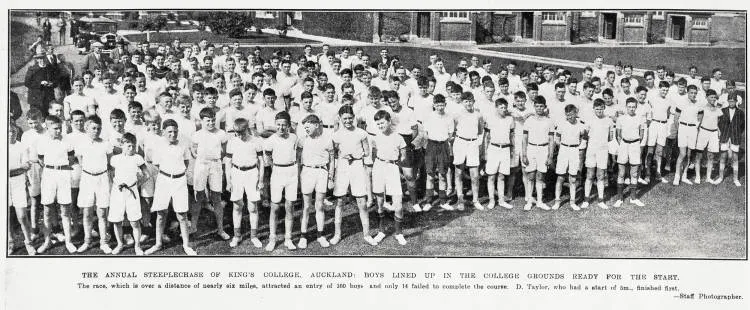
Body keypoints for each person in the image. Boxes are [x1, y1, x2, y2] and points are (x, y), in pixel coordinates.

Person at [145, 119, 197, 256]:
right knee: (161, 214)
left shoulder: (183, 145)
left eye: (175, 131)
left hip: (180, 181)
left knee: (182, 215)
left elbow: (186, 162)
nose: (172, 134)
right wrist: (167, 173)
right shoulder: (158, 146)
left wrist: (176, 174)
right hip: (164, 180)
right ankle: (158, 244)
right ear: (163, 132)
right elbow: (156, 164)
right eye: (169, 132)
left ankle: (186, 245)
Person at [330, 105, 378, 246]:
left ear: (354, 117)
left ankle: (367, 234)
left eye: (350, 118)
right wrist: (343, 156)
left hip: (357, 166)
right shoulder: (336, 135)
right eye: (345, 118)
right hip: (343, 167)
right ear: (340, 119)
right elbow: (334, 153)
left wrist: (357, 155)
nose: (348, 121)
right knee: (339, 201)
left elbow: (367, 152)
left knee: (361, 202)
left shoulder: (361, 133)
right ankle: (337, 234)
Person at [35, 115, 77, 254]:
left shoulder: (68, 140)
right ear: (47, 128)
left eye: (60, 128)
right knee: (47, 210)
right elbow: (41, 160)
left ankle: (68, 241)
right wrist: (51, 168)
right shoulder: (41, 141)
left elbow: (71, 159)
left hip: (64, 174)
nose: (58, 131)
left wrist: (60, 167)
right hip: (48, 174)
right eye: (55, 128)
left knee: (65, 210)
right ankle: (47, 242)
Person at [74, 115, 113, 253]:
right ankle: (88, 241)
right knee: (87, 213)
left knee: (102, 213)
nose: (96, 131)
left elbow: (109, 162)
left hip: (102, 178)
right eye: (93, 128)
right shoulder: (81, 143)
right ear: (86, 128)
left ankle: (103, 242)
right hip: (87, 179)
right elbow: (80, 159)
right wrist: (88, 171)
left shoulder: (106, 143)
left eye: (99, 128)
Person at [224, 118, 265, 249]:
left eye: (242, 132)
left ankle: (254, 236)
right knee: (237, 206)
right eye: (237, 132)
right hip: (236, 173)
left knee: (253, 207)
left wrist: (261, 180)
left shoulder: (256, 141)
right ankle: (237, 235)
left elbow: (261, 162)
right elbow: (228, 163)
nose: (239, 135)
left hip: (252, 173)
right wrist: (229, 181)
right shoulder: (232, 142)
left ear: (247, 129)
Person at [191, 107, 230, 240]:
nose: (211, 123)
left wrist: (215, 158)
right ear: (201, 121)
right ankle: (193, 227)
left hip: (216, 164)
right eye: (208, 121)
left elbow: (224, 150)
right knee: (198, 196)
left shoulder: (221, 133)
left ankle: (220, 229)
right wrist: (199, 156)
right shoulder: (197, 134)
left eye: (213, 120)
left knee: (217, 198)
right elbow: (193, 149)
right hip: (201, 165)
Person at [370, 110, 408, 245]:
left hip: (392, 168)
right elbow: (374, 153)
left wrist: (397, 162)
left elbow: (403, 155)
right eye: (378, 123)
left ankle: (399, 233)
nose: (380, 126)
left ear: (389, 121)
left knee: (397, 204)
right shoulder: (375, 137)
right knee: (379, 201)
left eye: (382, 123)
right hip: (379, 166)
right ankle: (381, 231)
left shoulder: (398, 137)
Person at [264, 111, 300, 252]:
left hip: (291, 172)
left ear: (289, 125)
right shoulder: (271, 139)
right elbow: (267, 155)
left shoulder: (294, 138)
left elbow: (298, 153)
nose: (281, 128)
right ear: (275, 124)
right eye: (278, 125)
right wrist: (275, 167)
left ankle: (288, 238)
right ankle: (272, 238)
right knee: (275, 207)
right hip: (278, 173)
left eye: (284, 125)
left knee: (289, 206)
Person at [108, 133, 149, 255]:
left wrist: (136, 184)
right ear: (121, 145)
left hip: (132, 192)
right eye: (128, 146)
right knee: (116, 220)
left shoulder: (137, 158)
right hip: (118, 191)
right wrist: (116, 185)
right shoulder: (115, 159)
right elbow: (111, 174)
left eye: (133, 146)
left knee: (134, 221)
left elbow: (146, 174)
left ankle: (137, 246)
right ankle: (120, 244)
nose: (131, 149)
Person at [298, 114, 335, 249]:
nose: (306, 129)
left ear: (317, 125)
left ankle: (320, 235)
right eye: (305, 127)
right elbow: (297, 160)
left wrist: (331, 178)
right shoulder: (302, 140)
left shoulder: (327, 140)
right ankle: (303, 236)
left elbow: (332, 160)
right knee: (306, 206)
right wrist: (297, 177)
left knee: (319, 205)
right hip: (307, 171)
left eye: (309, 126)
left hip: (322, 172)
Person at [421, 94, 454, 211]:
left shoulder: (449, 117)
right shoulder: (429, 116)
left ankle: (443, 201)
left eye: (442, 105)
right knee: (430, 175)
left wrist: (444, 140)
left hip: (443, 146)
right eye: (438, 105)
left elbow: (450, 134)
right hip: (431, 146)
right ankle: (429, 201)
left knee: (442, 175)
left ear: (445, 104)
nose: (440, 107)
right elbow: (425, 133)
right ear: (434, 105)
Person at [452, 92, 484, 211]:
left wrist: (477, 144)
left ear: (473, 101)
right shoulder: (457, 115)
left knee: (474, 175)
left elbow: (480, 131)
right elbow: (453, 129)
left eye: (470, 101)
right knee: (458, 172)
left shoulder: (478, 115)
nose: (468, 103)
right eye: (466, 101)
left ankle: (475, 200)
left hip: (473, 143)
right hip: (460, 142)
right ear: (462, 102)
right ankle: (460, 199)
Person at [521, 96, 554, 211]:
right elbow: (524, 139)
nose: (539, 108)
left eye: (541, 106)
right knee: (530, 175)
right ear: (534, 107)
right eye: (537, 106)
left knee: (540, 176)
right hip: (531, 148)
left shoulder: (549, 121)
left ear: (545, 107)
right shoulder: (529, 120)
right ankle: (529, 201)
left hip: (543, 149)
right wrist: (524, 154)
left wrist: (550, 156)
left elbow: (551, 140)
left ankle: (539, 201)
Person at [552, 104, 587, 211]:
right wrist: (563, 146)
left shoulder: (581, 126)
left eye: (571, 115)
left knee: (572, 178)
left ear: (576, 113)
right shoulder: (562, 124)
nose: (570, 117)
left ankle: (572, 202)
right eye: (567, 115)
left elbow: (584, 138)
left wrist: (578, 147)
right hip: (563, 150)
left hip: (575, 151)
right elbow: (557, 139)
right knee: (561, 177)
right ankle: (557, 201)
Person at [9, 126, 37, 255]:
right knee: (6, 215)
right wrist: (17, 169)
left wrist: (10, 171)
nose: (10, 134)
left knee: (22, 216)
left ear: (17, 133)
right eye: (8, 131)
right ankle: (10, 242)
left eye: (13, 131)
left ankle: (28, 242)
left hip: (18, 184)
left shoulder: (22, 147)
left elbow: (25, 166)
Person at [614, 98, 646, 207]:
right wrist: (624, 144)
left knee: (634, 173)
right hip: (624, 145)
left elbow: (642, 134)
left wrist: (634, 142)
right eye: (629, 107)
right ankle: (619, 198)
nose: (631, 109)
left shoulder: (640, 118)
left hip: (635, 145)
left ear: (636, 107)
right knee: (621, 173)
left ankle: (633, 197)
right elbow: (618, 135)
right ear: (626, 107)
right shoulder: (621, 118)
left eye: (633, 107)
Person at [582, 99, 614, 210]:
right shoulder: (589, 120)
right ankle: (586, 199)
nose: (599, 111)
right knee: (590, 175)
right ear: (593, 109)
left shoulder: (609, 121)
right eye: (597, 109)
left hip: (603, 151)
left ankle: (600, 200)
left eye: (601, 109)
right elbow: (585, 135)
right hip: (591, 150)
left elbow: (610, 137)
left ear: (604, 108)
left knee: (601, 176)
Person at [484, 98, 515, 210]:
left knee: (502, 176)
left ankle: (501, 200)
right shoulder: (490, 119)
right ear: (496, 108)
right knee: (491, 176)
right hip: (493, 149)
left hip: (505, 149)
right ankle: (492, 200)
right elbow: (486, 137)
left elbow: (512, 136)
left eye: (505, 107)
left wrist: (512, 151)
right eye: (501, 107)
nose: (503, 109)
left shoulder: (510, 119)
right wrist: (485, 153)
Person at [672, 85, 703, 186]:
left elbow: (700, 116)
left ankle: (684, 175)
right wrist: (679, 129)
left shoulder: (698, 104)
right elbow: (676, 118)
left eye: (695, 93)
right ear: (687, 92)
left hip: (693, 129)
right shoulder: (681, 102)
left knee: (689, 154)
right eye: (691, 93)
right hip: (683, 129)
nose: (693, 95)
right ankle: (677, 176)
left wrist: (696, 127)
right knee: (682, 154)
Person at [694, 89, 723, 184]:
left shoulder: (718, 110)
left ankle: (708, 177)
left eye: (715, 97)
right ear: (707, 97)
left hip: (713, 133)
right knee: (699, 155)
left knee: (711, 156)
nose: (713, 99)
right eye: (711, 97)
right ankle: (698, 176)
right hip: (703, 131)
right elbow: (698, 121)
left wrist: (718, 130)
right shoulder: (702, 108)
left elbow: (718, 122)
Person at [717, 93, 744, 187]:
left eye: (733, 101)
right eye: (730, 101)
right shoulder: (723, 110)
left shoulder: (740, 112)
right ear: (728, 101)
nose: (731, 103)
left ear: (736, 102)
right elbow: (719, 123)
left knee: (735, 158)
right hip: (725, 136)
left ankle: (736, 179)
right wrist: (723, 132)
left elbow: (742, 126)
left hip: (735, 137)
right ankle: (720, 177)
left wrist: (736, 134)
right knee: (723, 156)